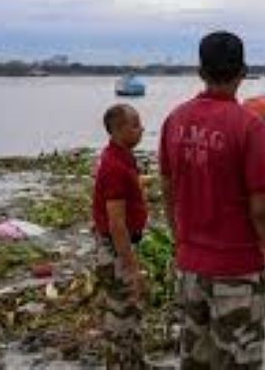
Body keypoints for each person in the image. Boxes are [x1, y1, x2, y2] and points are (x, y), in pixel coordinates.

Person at [159, 31, 265, 369]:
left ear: (200, 72)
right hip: (237, 270)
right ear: (242, 71)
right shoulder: (251, 127)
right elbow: (262, 209)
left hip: (190, 268)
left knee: (196, 361)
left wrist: (181, 242)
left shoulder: (174, 121)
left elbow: (168, 191)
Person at [92, 104, 149, 368]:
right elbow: (116, 224)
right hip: (115, 250)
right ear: (119, 129)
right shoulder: (114, 166)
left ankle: (137, 364)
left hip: (122, 246)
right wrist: (132, 266)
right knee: (119, 319)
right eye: (136, 124)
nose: (142, 129)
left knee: (132, 311)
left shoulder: (123, 156)